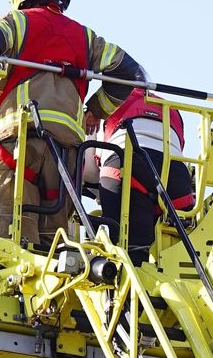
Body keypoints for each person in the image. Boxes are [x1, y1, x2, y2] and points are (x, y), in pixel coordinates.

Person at [0, 0, 135, 248]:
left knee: (17, 239)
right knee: (54, 246)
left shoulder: (18, 23)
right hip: (67, 155)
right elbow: (128, 72)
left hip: (18, 146)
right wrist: (96, 109)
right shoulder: (85, 37)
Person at [82, 56, 197, 265]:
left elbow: (88, 170)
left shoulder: (107, 105)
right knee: (152, 245)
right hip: (176, 181)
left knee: (123, 249)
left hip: (126, 166)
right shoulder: (171, 109)